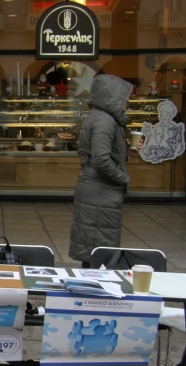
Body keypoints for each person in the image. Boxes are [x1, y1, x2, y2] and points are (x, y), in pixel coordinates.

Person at [69, 74, 132, 268]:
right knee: (99, 252)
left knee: (92, 250)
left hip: (95, 191)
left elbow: (101, 154)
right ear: (112, 96)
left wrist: (125, 152)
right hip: (101, 192)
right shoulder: (106, 120)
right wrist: (122, 178)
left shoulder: (98, 117)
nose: (127, 102)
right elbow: (101, 159)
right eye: (124, 97)